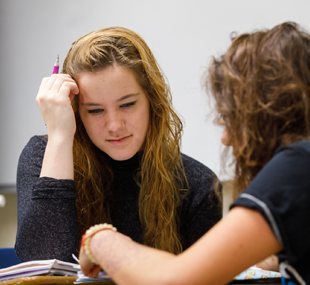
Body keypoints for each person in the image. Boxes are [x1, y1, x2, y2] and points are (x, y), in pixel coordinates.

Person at [77, 22, 310, 285]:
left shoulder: (306, 165)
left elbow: (173, 281)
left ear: (268, 112)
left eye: (231, 119)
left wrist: (101, 239)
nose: (228, 138)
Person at [15, 27, 222, 263]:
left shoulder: (198, 185)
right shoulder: (44, 157)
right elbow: (42, 266)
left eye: (127, 105)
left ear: (152, 100)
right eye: (95, 110)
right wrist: (60, 136)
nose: (114, 125)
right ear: (77, 112)